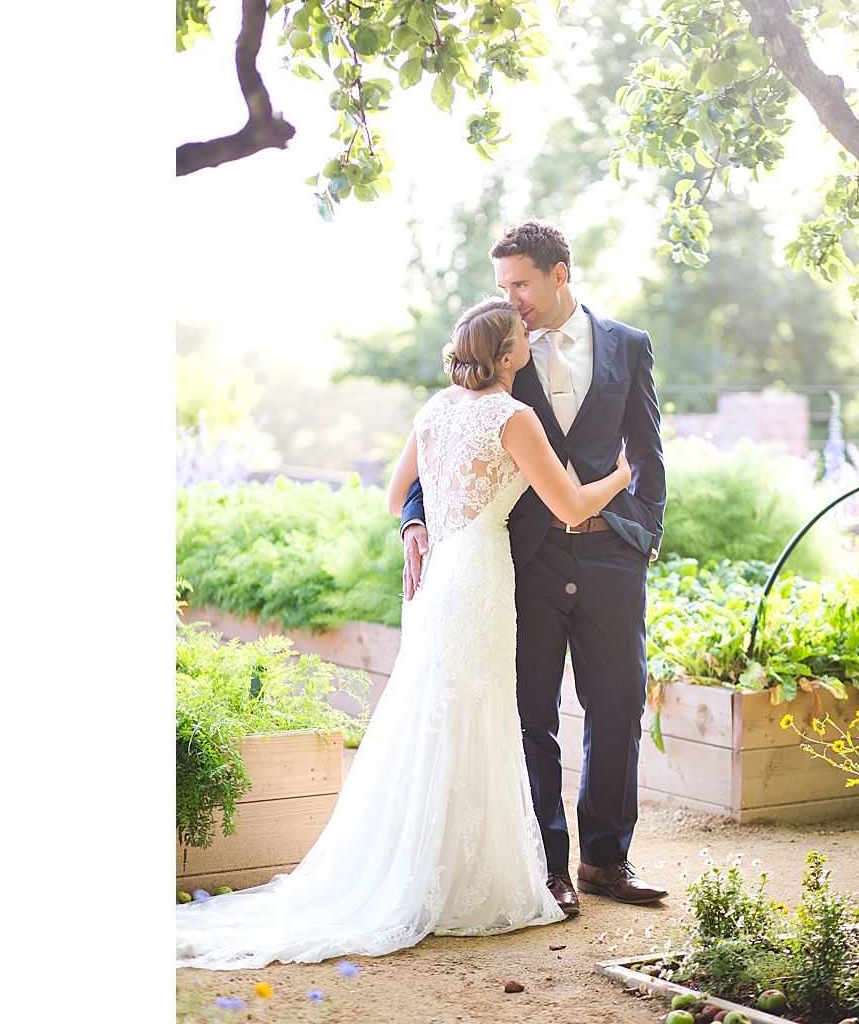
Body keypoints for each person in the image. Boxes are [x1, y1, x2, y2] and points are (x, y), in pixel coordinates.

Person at [175, 299, 631, 969]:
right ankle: (461, 878)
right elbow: (568, 506)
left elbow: (397, 498)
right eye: (522, 341)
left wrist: (424, 522)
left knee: (432, 711)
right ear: (508, 356)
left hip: (440, 572)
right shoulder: (514, 416)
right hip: (479, 571)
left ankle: (423, 865)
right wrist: (621, 476)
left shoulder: (435, 410)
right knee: (475, 712)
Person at [401, 220, 667, 915]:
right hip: (527, 559)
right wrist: (415, 520)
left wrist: (645, 534)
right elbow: (446, 448)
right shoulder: (499, 350)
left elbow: (648, 448)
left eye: (520, 282)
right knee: (529, 713)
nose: (510, 297)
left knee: (618, 707)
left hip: (612, 554)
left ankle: (606, 859)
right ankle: (547, 868)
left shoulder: (629, 345)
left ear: (559, 274)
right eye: (503, 284)